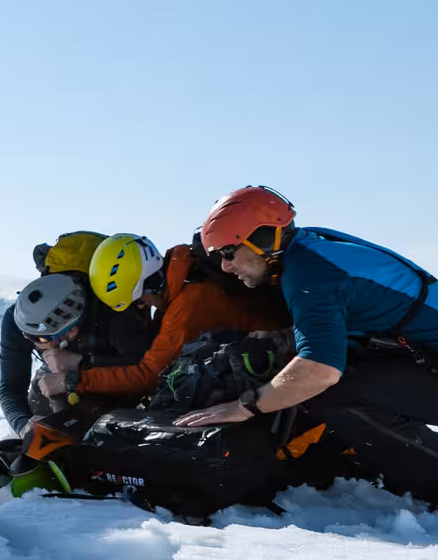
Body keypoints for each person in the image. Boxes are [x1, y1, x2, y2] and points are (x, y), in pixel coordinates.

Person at [178, 186, 438, 504]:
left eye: (227, 253)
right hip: (422, 353)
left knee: (338, 393)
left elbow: (320, 370)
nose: (225, 267)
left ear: (261, 240)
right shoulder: (310, 247)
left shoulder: (310, 275)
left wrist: (244, 406)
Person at [53, 232, 290, 401]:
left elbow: (149, 377)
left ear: (146, 285)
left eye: (138, 301)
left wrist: (75, 380)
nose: (143, 308)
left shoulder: (189, 304)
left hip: (270, 374)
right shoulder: (184, 275)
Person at [0, 234, 155, 436]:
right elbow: (10, 388)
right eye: (41, 343)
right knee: (45, 387)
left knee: (87, 423)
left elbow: (146, 371)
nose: (54, 347)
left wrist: (81, 364)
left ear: (73, 326)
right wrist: (23, 426)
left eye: (60, 338)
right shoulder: (17, 319)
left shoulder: (114, 313)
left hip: (114, 381)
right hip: (60, 381)